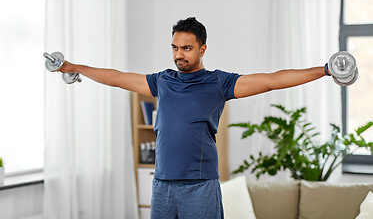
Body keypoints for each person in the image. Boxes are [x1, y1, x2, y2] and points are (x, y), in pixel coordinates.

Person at [58, 17, 331, 219]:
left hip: (200, 186)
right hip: (162, 184)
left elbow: (272, 81)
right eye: (175, 47)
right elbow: (117, 78)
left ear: (202, 49)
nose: (179, 54)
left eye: (186, 48)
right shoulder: (161, 81)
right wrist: (71, 67)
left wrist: (326, 69)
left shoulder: (219, 83)